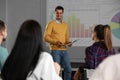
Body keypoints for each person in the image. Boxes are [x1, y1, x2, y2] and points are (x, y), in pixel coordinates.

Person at [44, 6, 72, 80]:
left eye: (60, 13)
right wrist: (56, 42)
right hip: (55, 50)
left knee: (68, 69)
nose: (59, 15)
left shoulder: (65, 25)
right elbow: (46, 37)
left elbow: (67, 38)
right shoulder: (51, 24)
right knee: (56, 71)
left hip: (64, 50)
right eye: (57, 13)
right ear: (55, 13)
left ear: (62, 13)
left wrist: (69, 42)